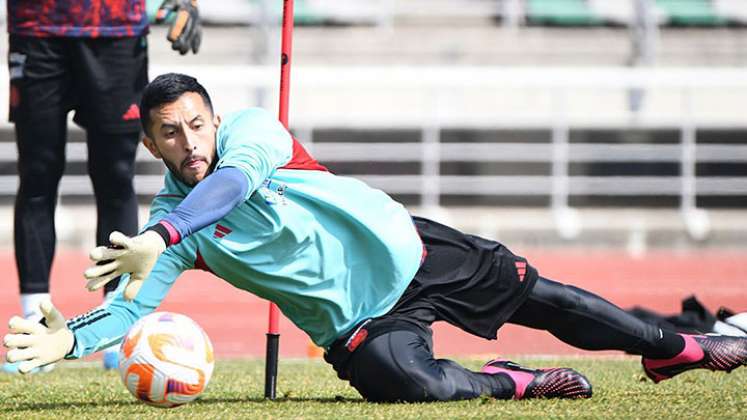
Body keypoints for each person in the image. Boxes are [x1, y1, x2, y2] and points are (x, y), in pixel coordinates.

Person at [5, 73, 747, 402]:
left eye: (197, 124)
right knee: (410, 387)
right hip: (360, 325)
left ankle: (676, 351)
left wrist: (162, 228)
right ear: (153, 148)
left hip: (413, 253)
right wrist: (71, 337)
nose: (189, 140)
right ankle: (510, 382)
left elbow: (227, 185)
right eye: (171, 134)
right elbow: (131, 310)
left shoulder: (254, 135)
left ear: (215, 119)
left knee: (550, 300)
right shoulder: (170, 236)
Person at [4, 0, 201, 373]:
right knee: (38, 175)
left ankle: (114, 323)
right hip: (37, 30)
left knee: (114, 176)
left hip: (116, 31)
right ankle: (34, 327)